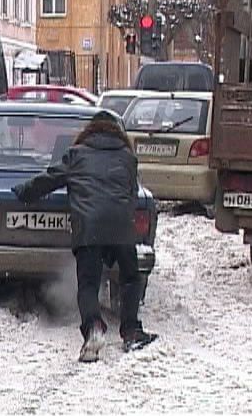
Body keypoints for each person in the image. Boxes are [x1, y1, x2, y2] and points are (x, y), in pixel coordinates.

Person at [12, 110, 157, 362]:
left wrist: (23, 192)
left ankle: (94, 328)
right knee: (131, 279)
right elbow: (132, 193)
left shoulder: (77, 155)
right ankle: (132, 332)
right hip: (122, 227)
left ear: (90, 131)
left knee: (88, 284)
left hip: (88, 228)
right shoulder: (127, 157)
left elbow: (50, 179)